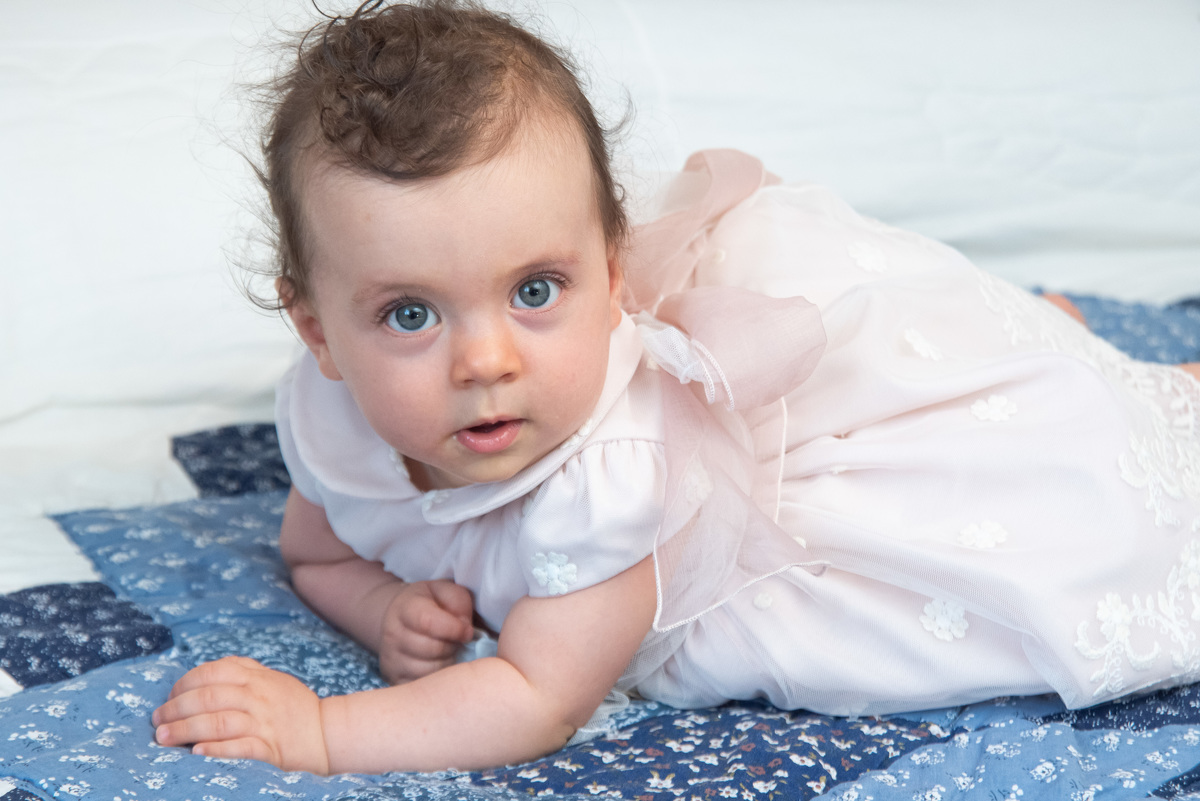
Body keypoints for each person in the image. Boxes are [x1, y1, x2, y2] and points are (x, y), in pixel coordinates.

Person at [152, 0, 1200, 775]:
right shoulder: (332, 411)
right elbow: (317, 547)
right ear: (318, 331)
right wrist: (381, 608)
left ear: (613, 270)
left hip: (772, 474)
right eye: (410, 315)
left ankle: (1070, 369)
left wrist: (322, 732)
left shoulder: (615, 471)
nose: (485, 363)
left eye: (535, 289)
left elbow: (535, 697)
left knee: (1050, 485)